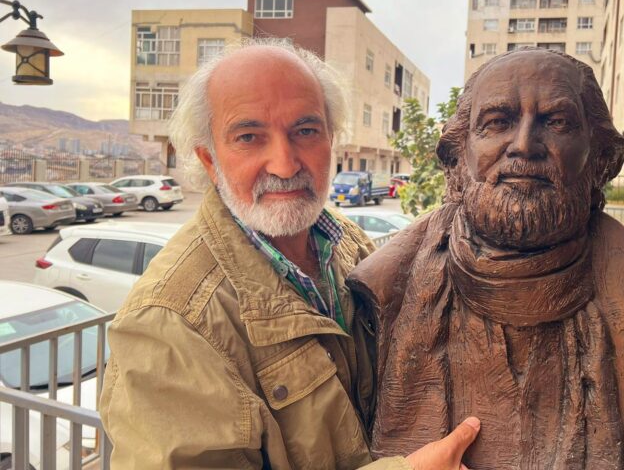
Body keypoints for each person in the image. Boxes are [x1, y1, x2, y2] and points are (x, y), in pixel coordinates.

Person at [99, 40, 480, 469]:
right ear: (209, 161)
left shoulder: (347, 243)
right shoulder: (170, 321)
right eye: (249, 137)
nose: (284, 164)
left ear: (331, 140)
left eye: (305, 131)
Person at [348, 48, 624, 470]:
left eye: (556, 122)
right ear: (457, 158)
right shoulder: (384, 287)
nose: (524, 146)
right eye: (497, 122)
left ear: (599, 159)